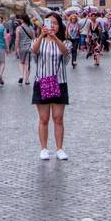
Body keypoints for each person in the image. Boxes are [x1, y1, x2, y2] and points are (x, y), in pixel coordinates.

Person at [31, 12, 70, 161]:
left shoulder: (65, 42)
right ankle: (44, 148)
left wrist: (54, 37)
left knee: (58, 118)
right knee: (44, 118)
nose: (52, 25)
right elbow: (33, 51)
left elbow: (66, 54)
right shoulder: (38, 40)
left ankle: (60, 149)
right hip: (42, 81)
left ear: (59, 25)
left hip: (59, 82)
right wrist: (42, 36)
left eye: (54, 23)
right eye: (49, 23)